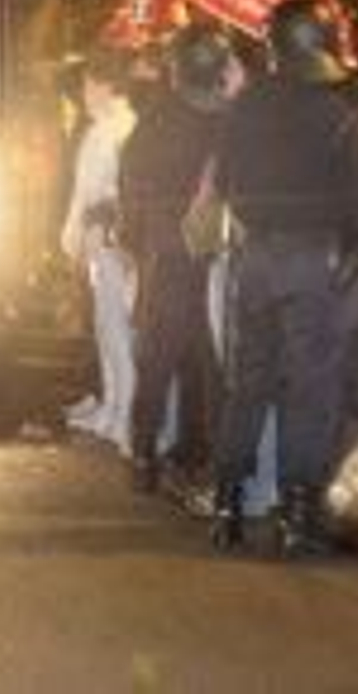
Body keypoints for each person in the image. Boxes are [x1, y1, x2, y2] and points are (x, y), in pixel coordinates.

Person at [209, 0, 358, 557]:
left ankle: (228, 500)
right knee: (310, 388)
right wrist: (351, 248)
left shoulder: (242, 107)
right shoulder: (336, 113)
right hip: (314, 260)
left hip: (254, 258)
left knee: (247, 381)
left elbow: (227, 185)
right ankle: (297, 509)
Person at [120, 24, 238, 499]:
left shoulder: (160, 116)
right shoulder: (231, 117)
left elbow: (132, 177)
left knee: (162, 353)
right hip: (215, 248)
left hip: (168, 246)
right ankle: (194, 451)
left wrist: (135, 236)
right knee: (202, 356)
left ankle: (147, 452)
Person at [59, 50, 139, 454]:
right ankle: (112, 407)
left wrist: (83, 230)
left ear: (106, 85)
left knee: (117, 329)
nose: (84, 94)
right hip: (102, 239)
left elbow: (100, 192)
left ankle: (124, 414)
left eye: (89, 85)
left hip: (109, 241)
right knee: (108, 328)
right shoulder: (109, 127)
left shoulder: (115, 128)